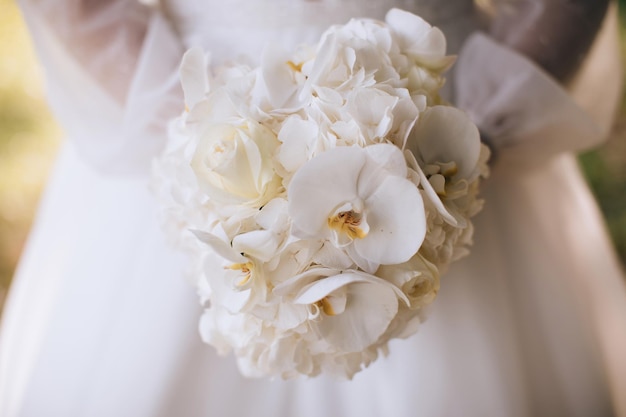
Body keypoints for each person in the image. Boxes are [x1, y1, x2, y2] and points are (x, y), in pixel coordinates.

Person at [1, 0, 625, 416]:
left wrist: (469, 137)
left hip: (440, 123)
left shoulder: (459, 140)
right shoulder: (196, 133)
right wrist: (204, 140)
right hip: (197, 114)